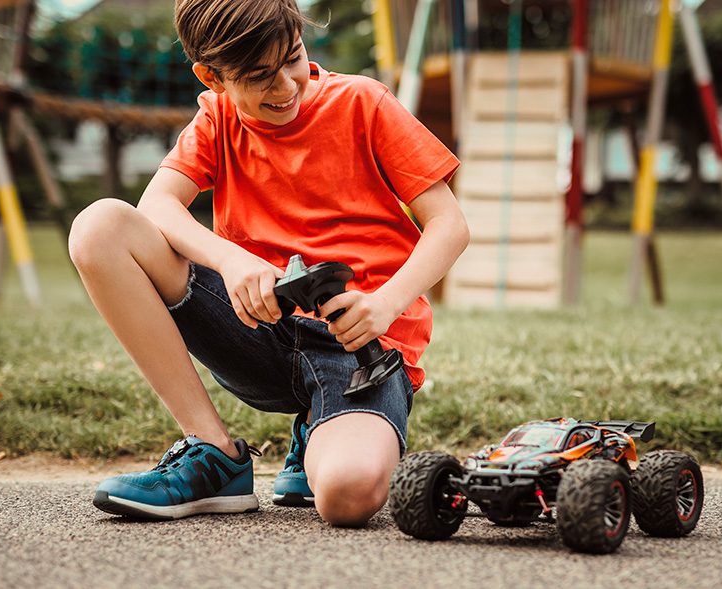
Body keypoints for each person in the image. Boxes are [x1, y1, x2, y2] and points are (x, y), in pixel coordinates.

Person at [67, 0, 468, 528]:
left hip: (358, 348)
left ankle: (317, 430)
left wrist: (385, 304)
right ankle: (213, 452)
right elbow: (155, 206)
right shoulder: (216, 117)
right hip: (255, 329)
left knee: (347, 497)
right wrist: (232, 260)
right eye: (259, 76)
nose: (286, 88)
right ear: (212, 77)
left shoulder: (365, 102)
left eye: (293, 59)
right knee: (100, 227)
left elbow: (450, 226)